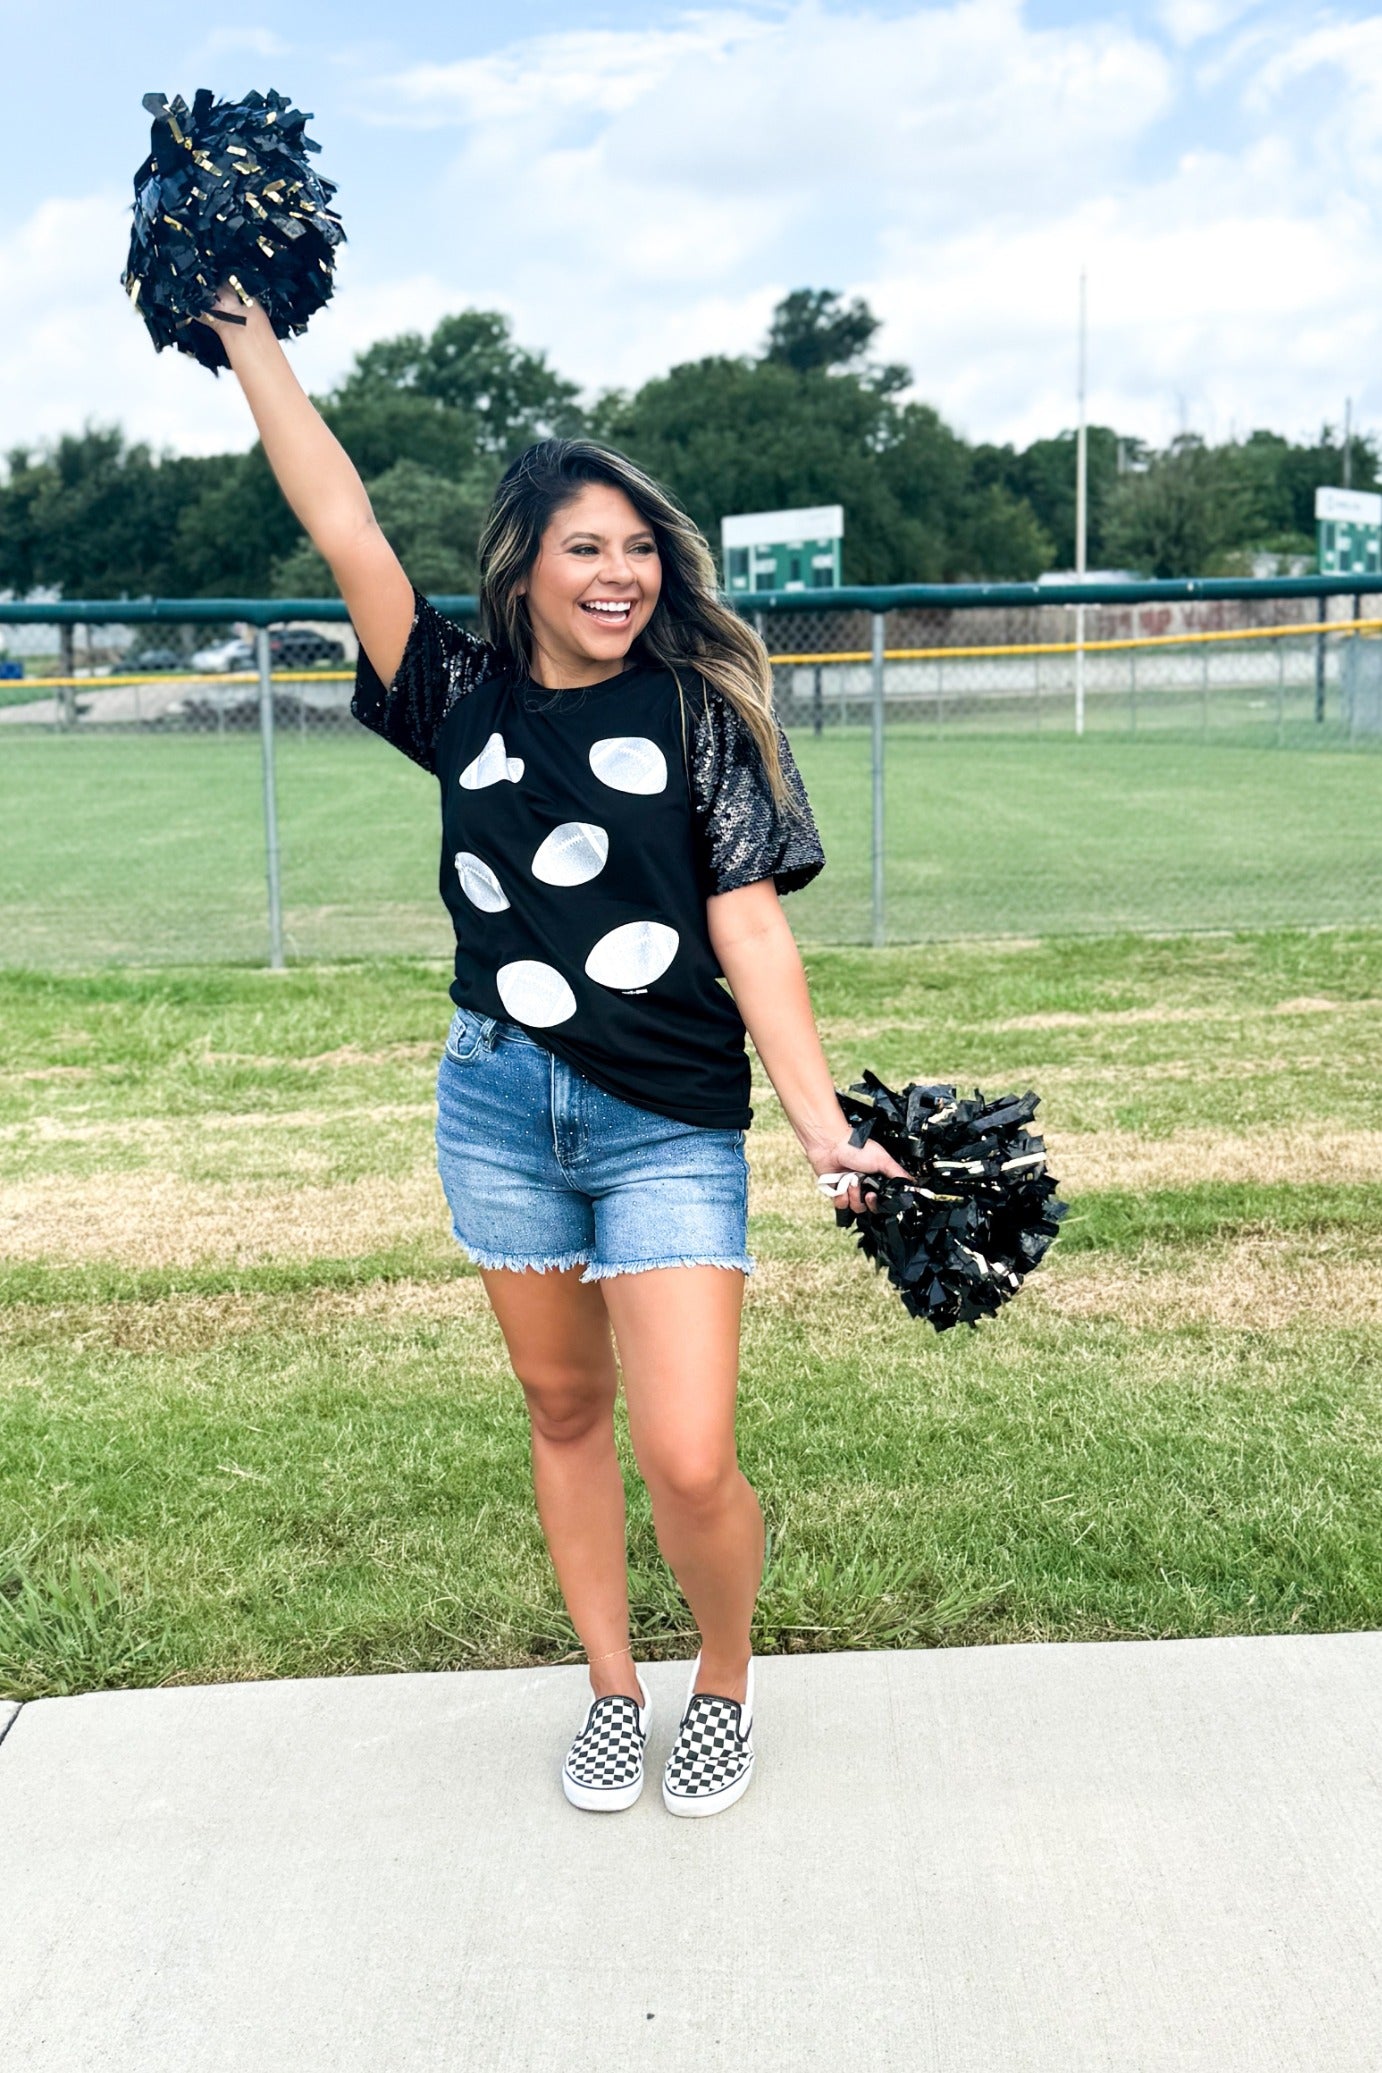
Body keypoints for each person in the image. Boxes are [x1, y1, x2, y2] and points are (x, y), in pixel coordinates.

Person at [206, 289, 908, 1818]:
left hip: (664, 1118)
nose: (621, 572)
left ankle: (718, 1679)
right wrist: (247, 338)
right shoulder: (457, 694)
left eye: (639, 546)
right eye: (587, 546)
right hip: (496, 1104)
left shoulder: (702, 711)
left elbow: (752, 932)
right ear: (523, 566)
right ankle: (609, 1686)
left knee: (689, 1452)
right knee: (562, 1413)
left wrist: (816, 1129)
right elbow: (339, 515)